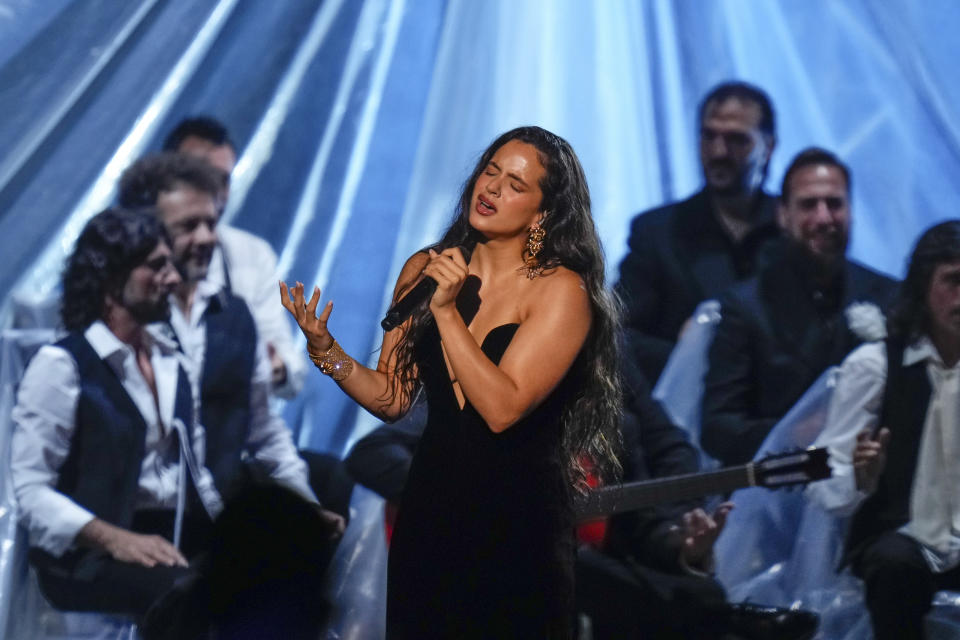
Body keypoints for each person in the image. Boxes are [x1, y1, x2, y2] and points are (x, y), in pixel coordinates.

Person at [281, 126, 622, 638]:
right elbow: (394, 399)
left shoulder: (559, 291)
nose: (491, 188)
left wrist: (447, 313)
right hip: (432, 510)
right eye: (490, 171)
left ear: (543, 213)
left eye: (514, 184)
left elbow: (502, 409)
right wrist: (326, 352)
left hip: (517, 524)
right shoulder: (425, 268)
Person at [11, 208, 220, 615]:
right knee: (186, 596)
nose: (174, 278)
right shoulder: (63, 365)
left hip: (170, 537)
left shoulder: (172, 362)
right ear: (110, 278)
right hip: (89, 557)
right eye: (156, 266)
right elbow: (31, 491)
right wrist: (115, 539)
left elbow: (198, 475)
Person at [116, 153, 328, 509]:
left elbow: (263, 429)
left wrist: (307, 508)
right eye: (187, 226)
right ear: (144, 233)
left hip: (216, 519)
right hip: (144, 522)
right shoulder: (124, 322)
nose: (205, 238)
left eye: (211, 224)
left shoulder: (234, 314)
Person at [575, 359, 819, 640]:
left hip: (603, 556)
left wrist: (681, 546)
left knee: (702, 592)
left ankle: (723, 618)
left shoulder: (615, 418)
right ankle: (729, 620)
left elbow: (640, 523)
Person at [807, 220, 960, 640]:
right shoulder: (876, 366)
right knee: (895, 564)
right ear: (923, 288)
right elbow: (821, 478)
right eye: (953, 281)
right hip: (901, 537)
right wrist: (860, 477)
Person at [701, 148, 897, 466]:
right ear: (783, 215)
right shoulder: (746, 306)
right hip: (779, 490)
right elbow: (717, 428)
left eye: (834, 203)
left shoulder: (888, 295)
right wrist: (791, 433)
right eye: (808, 205)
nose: (824, 218)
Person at [615, 81, 782, 384]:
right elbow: (617, 335)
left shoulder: (791, 230)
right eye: (709, 136)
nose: (718, 151)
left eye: (736, 139)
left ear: (768, 147)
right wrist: (688, 356)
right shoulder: (657, 233)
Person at [163, 116, 306, 398]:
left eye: (222, 180)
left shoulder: (251, 255)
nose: (213, 192)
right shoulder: (125, 251)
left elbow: (290, 368)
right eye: (199, 177)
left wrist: (271, 365)